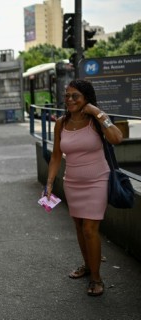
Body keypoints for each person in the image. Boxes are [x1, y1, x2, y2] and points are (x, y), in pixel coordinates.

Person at [45, 79, 123, 297]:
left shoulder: (96, 120)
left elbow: (117, 138)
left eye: (75, 96)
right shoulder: (61, 122)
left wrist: (97, 112)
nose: (69, 99)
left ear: (86, 98)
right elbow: (56, 155)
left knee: (90, 229)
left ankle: (97, 278)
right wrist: (49, 183)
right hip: (72, 182)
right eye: (67, 95)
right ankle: (88, 266)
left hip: (97, 180)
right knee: (80, 228)